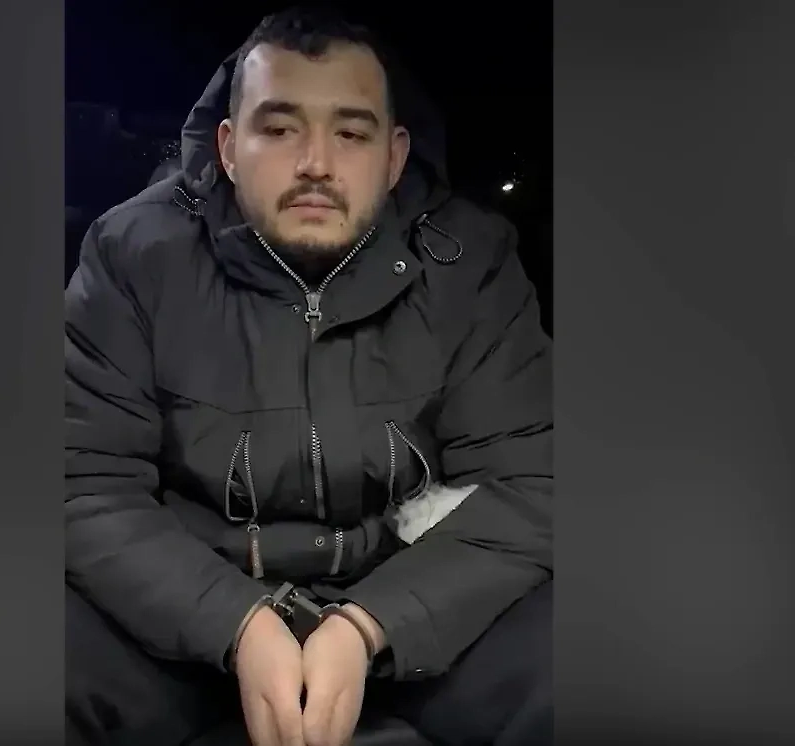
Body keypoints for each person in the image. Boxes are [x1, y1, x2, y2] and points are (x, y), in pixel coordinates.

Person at [65, 8, 552, 746]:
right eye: (280, 128)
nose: (317, 163)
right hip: (181, 622)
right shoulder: (133, 254)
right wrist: (236, 623)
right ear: (229, 147)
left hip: (418, 617)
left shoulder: (472, 264)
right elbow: (84, 482)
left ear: (394, 157)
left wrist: (370, 625)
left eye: (351, 134)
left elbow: (528, 484)